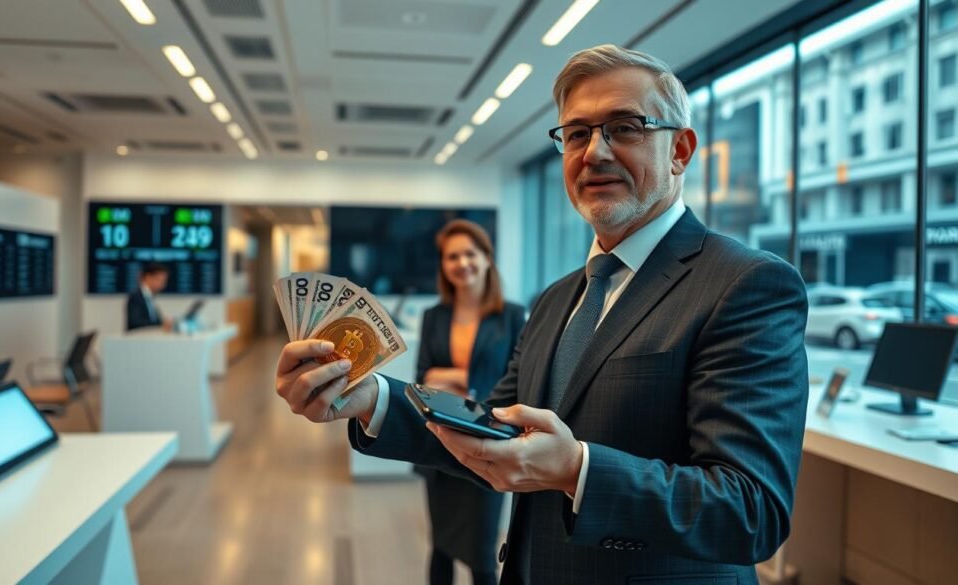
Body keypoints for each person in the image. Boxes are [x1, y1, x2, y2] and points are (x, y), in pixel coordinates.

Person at [275, 44, 808, 585]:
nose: (595, 152)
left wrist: (577, 469)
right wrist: (370, 399)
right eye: (577, 134)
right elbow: (491, 428)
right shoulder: (556, 298)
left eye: (624, 127)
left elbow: (752, 511)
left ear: (680, 150)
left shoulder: (746, 284)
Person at [417, 220, 525, 585]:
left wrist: (454, 377)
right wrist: (463, 378)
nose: (462, 262)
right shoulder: (435, 316)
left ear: (486, 258)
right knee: (441, 546)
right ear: (444, 266)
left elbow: (517, 377)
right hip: (439, 442)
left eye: (469, 253)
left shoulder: (511, 315)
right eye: (452, 256)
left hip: (488, 443)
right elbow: (423, 379)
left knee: (481, 554)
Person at [126, 262, 172, 331]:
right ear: (148, 277)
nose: (163, 285)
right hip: (138, 339)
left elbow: (155, 320)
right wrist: (161, 324)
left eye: (164, 282)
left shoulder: (149, 298)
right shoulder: (136, 297)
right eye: (160, 280)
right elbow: (135, 323)